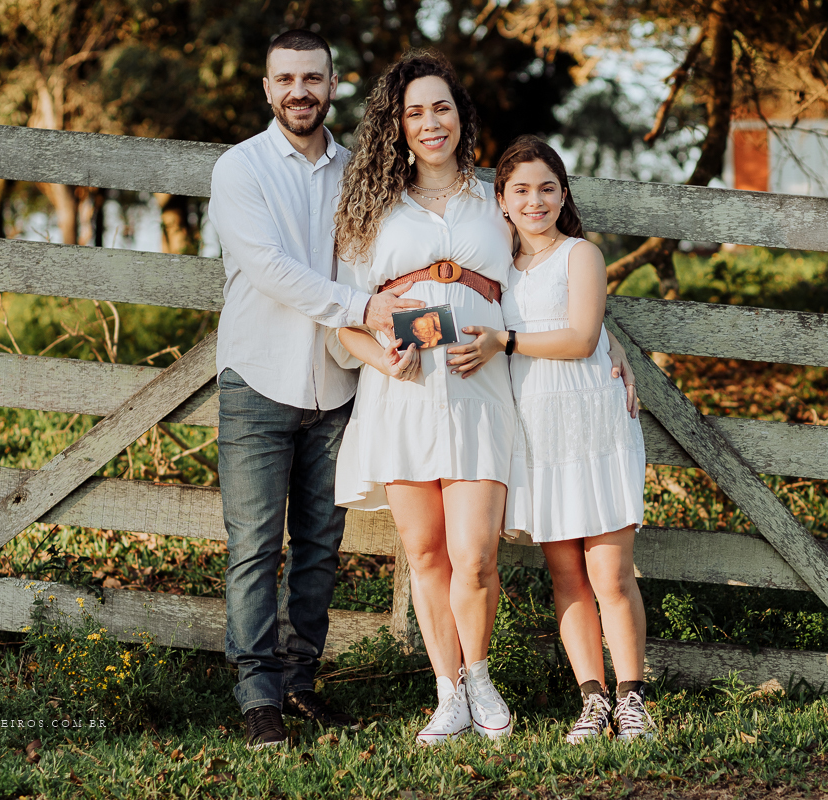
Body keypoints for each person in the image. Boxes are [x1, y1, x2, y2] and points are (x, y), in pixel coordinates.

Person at [207, 30, 423, 751]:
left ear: (335, 85)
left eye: (313, 78)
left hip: (338, 383)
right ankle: (257, 696)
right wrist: (363, 309)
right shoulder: (240, 169)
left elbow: (387, 259)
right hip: (258, 378)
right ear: (267, 89)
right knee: (254, 545)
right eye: (286, 79)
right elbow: (269, 268)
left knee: (321, 548)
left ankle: (301, 684)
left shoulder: (360, 173)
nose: (300, 90)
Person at [328, 50, 517, 745]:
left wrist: (501, 341)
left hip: (478, 392)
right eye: (414, 112)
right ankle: (448, 694)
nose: (430, 123)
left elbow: (547, 282)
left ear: (460, 117)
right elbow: (346, 321)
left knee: (475, 556)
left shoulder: (497, 201)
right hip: (402, 399)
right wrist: (386, 358)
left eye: (441, 108)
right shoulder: (371, 211)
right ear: (396, 127)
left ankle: (481, 674)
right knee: (427, 551)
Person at [446, 135, 656, 743]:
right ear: (502, 202)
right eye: (520, 190)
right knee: (566, 578)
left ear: (563, 195)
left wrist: (506, 342)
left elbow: (583, 338)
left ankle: (632, 697)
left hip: (593, 424)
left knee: (611, 576)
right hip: (538, 432)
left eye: (546, 188)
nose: (534, 200)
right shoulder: (497, 273)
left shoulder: (579, 254)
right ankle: (592, 700)